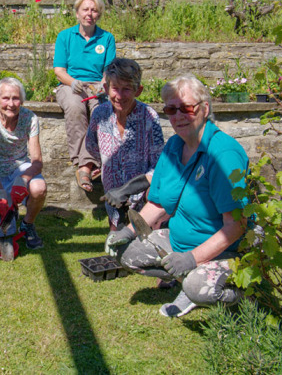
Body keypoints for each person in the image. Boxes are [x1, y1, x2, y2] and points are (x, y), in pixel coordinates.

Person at [106, 75, 249, 317]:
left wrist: (192, 259)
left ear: (204, 109)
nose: (178, 116)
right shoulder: (174, 146)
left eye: (186, 108)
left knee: (197, 288)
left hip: (226, 251)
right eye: (171, 109)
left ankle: (240, 293)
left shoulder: (223, 154)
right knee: (127, 255)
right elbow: (158, 203)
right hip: (179, 242)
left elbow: (236, 225)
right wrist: (127, 231)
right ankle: (188, 278)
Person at [86, 58, 164, 233]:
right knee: (116, 245)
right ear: (106, 89)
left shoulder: (149, 117)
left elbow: (158, 166)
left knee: (143, 248)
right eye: (115, 88)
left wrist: (133, 189)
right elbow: (91, 146)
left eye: (127, 89)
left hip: (144, 198)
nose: (119, 96)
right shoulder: (99, 114)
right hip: (111, 196)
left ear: (138, 91)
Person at [0, 77, 47, 260]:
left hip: (18, 165)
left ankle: (27, 224)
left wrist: (23, 179)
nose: (11, 104)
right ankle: (8, 212)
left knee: (39, 188)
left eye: (16, 98)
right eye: (6, 98)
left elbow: (37, 161)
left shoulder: (30, 118)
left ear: (21, 100)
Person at [53, 0, 116, 193]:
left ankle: (86, 166)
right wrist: (74, 83)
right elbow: (59, 70)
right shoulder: (65, 36)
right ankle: (86, 165)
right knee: (74, 107)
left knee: (102, 110)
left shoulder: (106, 38)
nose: (89, 14)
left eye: (94, 10)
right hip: (70, 84)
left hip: (97, 85)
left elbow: (109, 70)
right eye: (85, 9)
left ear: (99, 14)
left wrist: (102, 85)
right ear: (77, 13)